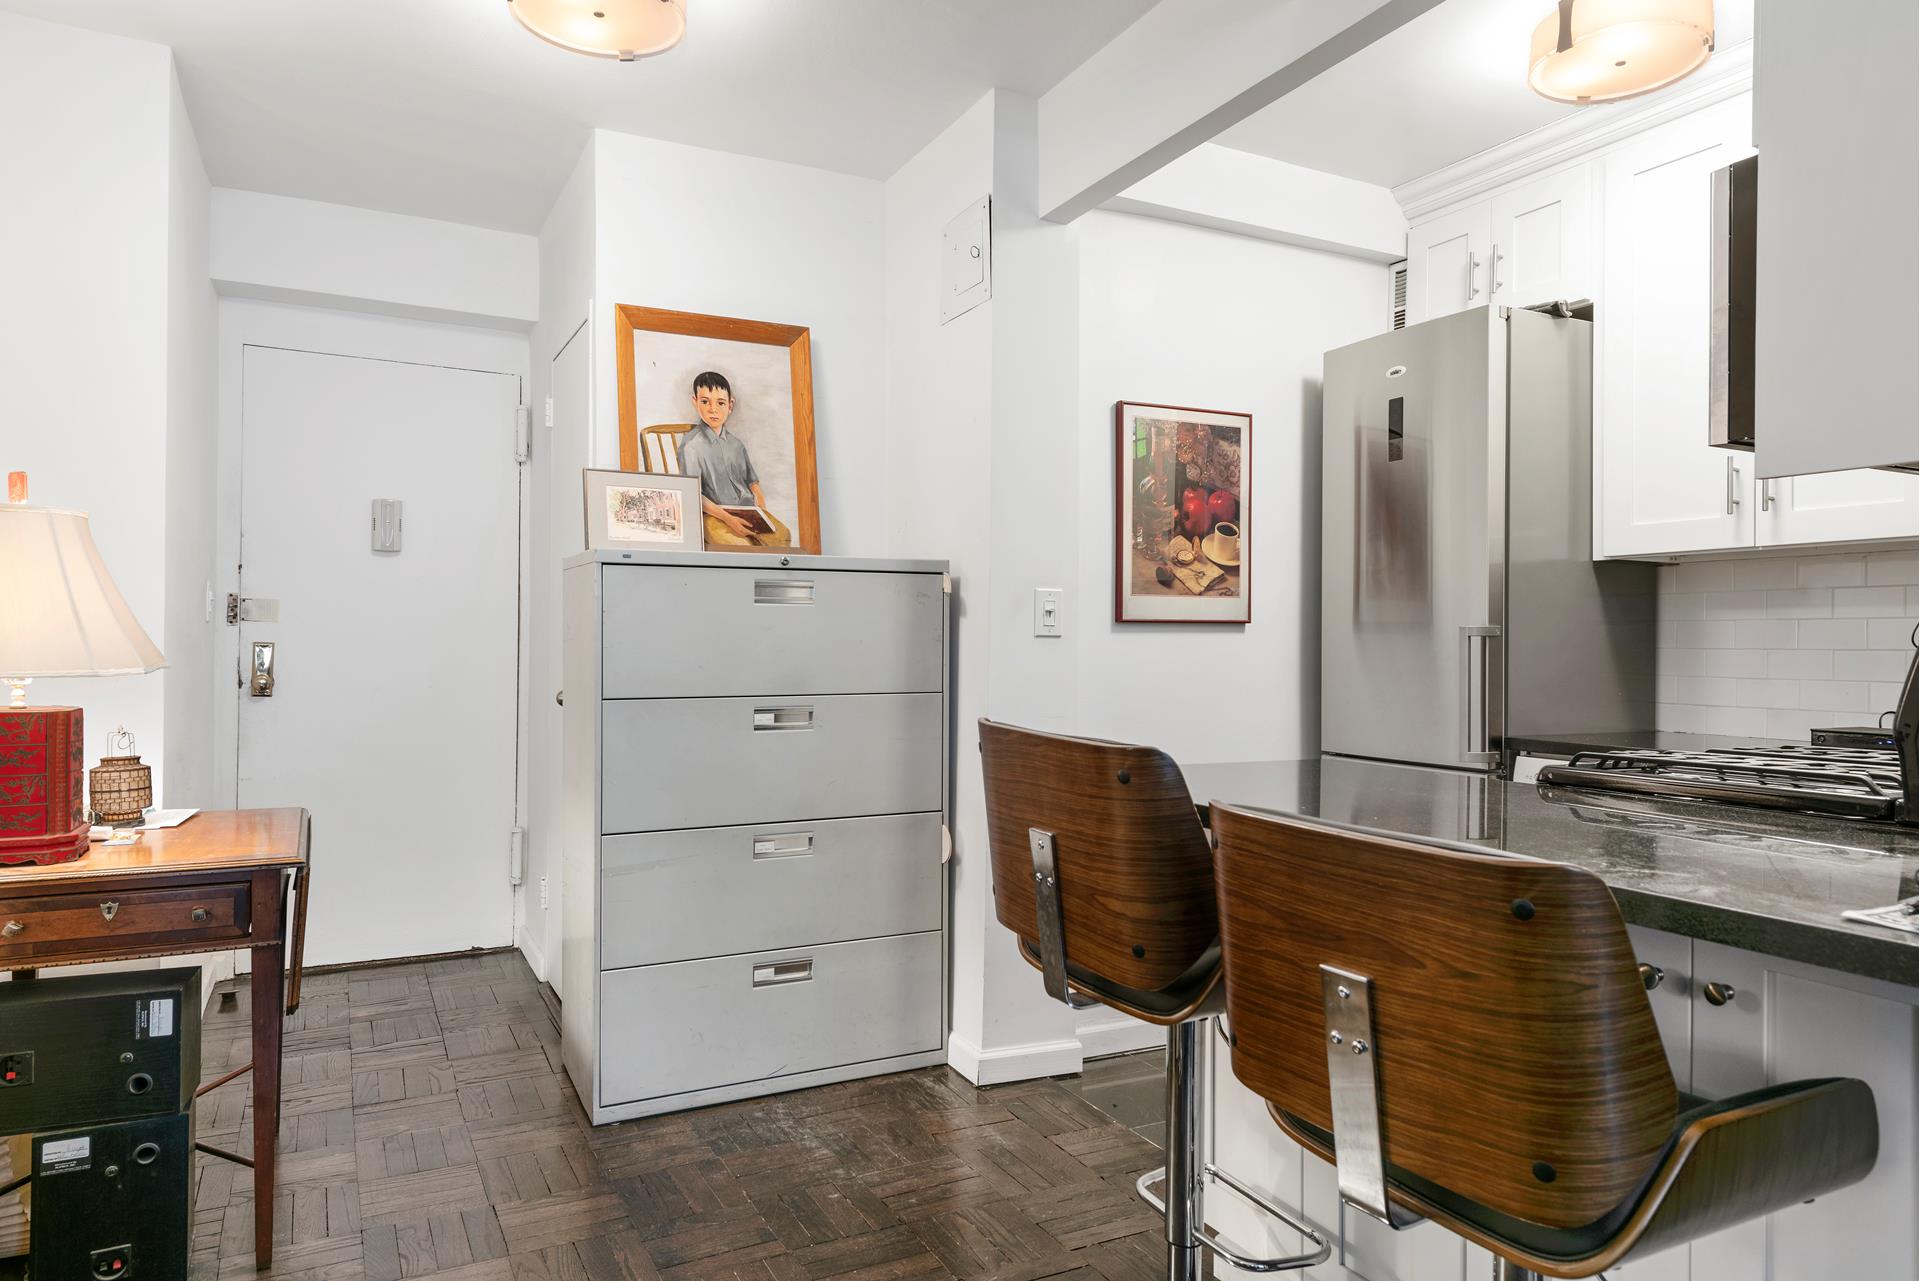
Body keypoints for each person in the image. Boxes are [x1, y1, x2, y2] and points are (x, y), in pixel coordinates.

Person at [678, 371, 792, 547]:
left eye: (720, 403)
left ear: (730, 405)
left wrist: (761, 510)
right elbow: (694, 494)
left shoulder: (736, 444)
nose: (713, 409)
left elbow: (753, 483)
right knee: (742, 546)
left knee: (783, 536)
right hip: (713, 514)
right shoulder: (691, 446)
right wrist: (728, 519)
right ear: (695, 402)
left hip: (746, 511)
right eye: (705, 402)